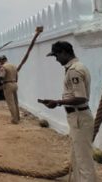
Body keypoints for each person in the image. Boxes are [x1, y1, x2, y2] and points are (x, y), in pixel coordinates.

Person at [39, 41, 97, 182]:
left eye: (57, 55)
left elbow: (80, 97)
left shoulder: (74, 71)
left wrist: (57, 102)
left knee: (83, 159)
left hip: (79, 116)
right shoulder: (76, 67)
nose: (56, 59)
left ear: (64, 52)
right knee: (78, 156)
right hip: (77, 116)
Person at [0, 55, 20, 124]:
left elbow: (1, 77)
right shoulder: (14, 66)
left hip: (7, 84)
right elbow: (17, 77)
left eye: (0, 60)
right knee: (15, 102)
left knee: (11, 103)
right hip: (15, 84)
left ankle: (14, 119)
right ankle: (18, 117)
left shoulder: (3, 67)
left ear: (3, 60)